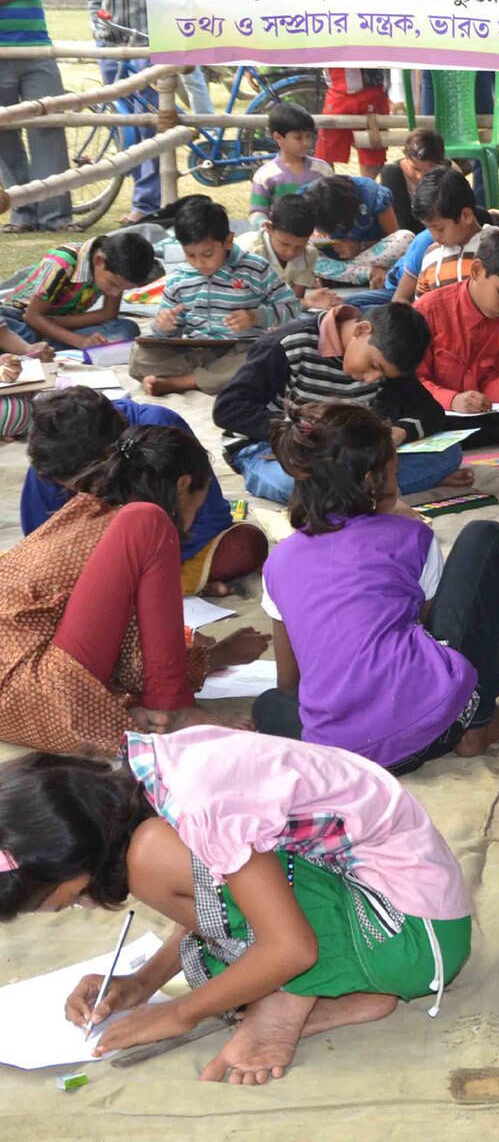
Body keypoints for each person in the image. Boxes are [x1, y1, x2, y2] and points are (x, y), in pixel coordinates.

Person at [0, 726, 476, 1083]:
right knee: (193, 889)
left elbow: (289, 947)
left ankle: (286, 997)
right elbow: (228, 893)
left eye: (59, 902)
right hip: (408, 929)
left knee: (157, 866)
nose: (76, 907)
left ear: (73, 855)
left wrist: (181, 1012)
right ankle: (347, 990)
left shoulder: (188, 813)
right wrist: (144, 981)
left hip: (409, 933)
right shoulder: (159, 773)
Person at [252, 402, 499, 769]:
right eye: (395, 473)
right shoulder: (411, 536)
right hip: (433, 727)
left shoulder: (279, 562)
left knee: (268, 704)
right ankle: (480, 722)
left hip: (341, 754)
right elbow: (441, 631)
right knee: (485, 537)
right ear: (372, 481)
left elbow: (290, 682)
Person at [0, 424, 268, 754]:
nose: (193, 518)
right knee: (149, 521)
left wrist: (207, 656)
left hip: (18, 685)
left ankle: (142, 709)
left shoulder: (85, 513)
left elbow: (126, 647)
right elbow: (142, 665)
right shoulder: (140, 526)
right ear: (184, 485)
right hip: (30, 692)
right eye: (196, 507)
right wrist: (214, 658)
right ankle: (177, 709)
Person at [23, 387, 268, 596]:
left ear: (113, 457)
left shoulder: (161, 429)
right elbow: (41, 545)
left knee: (243, 546)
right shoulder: (51, 462)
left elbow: (211, 515)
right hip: (95, 561)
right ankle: (157, 588)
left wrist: (139, 563)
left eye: (90, 484)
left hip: (164, 549)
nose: (85, 493)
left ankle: (140, 588)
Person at [214, 303, 465, 503]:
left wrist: (397, 433)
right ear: (362, 330)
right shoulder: (288, 345)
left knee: (449, 454)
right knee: (292, 485)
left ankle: (353, 492)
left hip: (345, 456)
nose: (371, 378)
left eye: (383, 375)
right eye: (374, 366)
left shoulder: (387, 360)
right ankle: (379, 489)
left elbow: (430, 412)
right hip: (270, 450)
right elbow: (229, 408)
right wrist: (303, 434)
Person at [132, 197, 297, 398]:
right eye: (190, 255)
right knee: (139, 355)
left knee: (267, 356)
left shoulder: (255, 269)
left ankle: (179, 383)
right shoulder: (179, 279)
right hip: (196, 352)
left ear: (227, 241)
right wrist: (163, 326)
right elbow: (164, 335)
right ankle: (204, 379)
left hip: (239, 350)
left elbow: (292, 308)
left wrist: (256, 317)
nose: (200, 263)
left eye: (208, 254)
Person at [414, 227, 499, 447]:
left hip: (478, 409)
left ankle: (452, 440)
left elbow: (495, 379)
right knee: (412, 415)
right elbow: (414, 382)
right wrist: (452, 400)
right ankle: (455, 436)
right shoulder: (428, 309)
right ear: (477, 270)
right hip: (435, 406)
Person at [83, 0, 155, 224]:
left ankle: (147, 203)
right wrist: (99, 23)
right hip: (110, 45)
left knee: (147, 124)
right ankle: (141, 197)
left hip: (145, 42)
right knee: (122, 122)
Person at [372, 168, 499, 309]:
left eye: (439, 228)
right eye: (428, 228)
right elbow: (419, 305)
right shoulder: (432, 255)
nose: (434, 236)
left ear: (466, 215)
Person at [0, 0, 70, 233]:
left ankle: (56, 217)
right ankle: (22, 215)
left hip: (37, 51)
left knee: (48, 127)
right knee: (4, 135)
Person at [0, 231, 151, 350]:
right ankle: (35, 344)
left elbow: (108, 314)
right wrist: (78, 340)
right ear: (99, 260)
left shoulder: (116, 267)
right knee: (17, 330)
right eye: (114, 285)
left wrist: (51, 324)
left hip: (55, 323)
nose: (115, 293)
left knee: (126, 329)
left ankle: (44, 344)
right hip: (21, 318)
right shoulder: (62, 263)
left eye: (123, 289)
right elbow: (31, 316)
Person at [237, 193, 325, 306]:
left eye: (299, 246)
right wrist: (307, 303)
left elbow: (293, 303)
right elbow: (244, 306)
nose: (291, 252)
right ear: (268, 228)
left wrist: (308, 303)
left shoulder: (309, 254)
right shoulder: (249, 252)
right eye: (284, 244)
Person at [249, 104, 332, 217]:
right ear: (278, 137)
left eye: (308, 136)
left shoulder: (323, 171)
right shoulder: (264, 176)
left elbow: (332, 208)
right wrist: (265, 226)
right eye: (298, 138)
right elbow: (257, 212)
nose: (306, 142)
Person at [317, 69, 391, 180]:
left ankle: (368, 190)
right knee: (327, 151)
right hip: (337, 91)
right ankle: (329, 189)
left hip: (372, 91)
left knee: (373, 150)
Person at [379, 129, 446, 234]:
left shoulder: (447, 173)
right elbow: (399, 222)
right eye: (415, 169)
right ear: (406, 158)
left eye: (429, 170)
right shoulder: (392, 174)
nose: (420, 176)